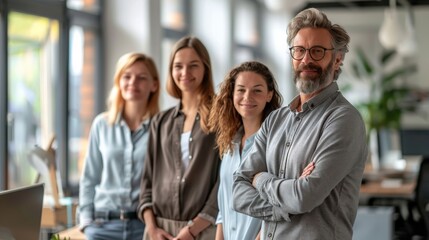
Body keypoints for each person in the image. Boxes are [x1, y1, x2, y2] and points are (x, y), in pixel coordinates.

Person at [232, 8, 368, 240]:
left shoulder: (344, 119)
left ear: (337, 60)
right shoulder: (276, 119)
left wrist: (261, 179)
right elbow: (237, 192)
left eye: (317, 51)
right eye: (299, 50)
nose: (306, 60)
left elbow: (304, 197)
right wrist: (283, 206)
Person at [138, 36, 221, 240]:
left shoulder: (221, 117)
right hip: (158, 230)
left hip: (202, 228)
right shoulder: (160, 122)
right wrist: (152, 229)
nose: (185, 73)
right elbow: (146, 182)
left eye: (193, 66)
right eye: (178, 66)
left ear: (205, 69)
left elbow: (224, 181)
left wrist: (193, 229)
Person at [79, 52, 160, 240]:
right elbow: (90, 177)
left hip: (144, 227)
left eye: (141, 78)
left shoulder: (161, 127)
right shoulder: (101, 124)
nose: (133, 82)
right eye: (127, 76)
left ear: (154, 85)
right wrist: (86, 222)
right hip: (102, 226)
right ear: (118, 81)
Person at [208, 61, 283, 240]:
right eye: (241, 90)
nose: (247, 97)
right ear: (232, 94)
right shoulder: (229, 144)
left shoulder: (275, 144)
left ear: (269, 95)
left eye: (257, 90)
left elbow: (279, 204)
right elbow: (223, 201)